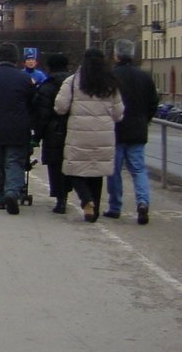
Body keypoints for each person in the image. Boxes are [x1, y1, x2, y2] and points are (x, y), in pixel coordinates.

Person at [54, 47, 125, 223]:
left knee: (74, 169)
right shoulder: (111, 83)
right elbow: (119, 113)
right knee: (97, 171)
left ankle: (87, 201)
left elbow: (60, 107)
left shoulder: (73, 81)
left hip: (79, 133)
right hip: (104, 135)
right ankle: (96, 210)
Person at [0, 42, 36, 214]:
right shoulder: (24, 79)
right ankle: (13, 192)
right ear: (17, 59)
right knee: (15, 161)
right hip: (18, 127)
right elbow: (32, 103)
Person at [106, 39, 157, 224]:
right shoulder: (145, 76)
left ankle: (115, 206)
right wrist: (145, 120)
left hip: (116, 130)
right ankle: (143, 202)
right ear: (133, 54)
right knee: (138, 169)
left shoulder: (111, 76)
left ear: (116, 56)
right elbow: (153, 103)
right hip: (138, 130)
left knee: (114, 171)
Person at [32, 53, 71, 214]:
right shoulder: (75, 84)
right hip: (74, 129)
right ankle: (75, 194)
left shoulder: (47, 86)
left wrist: (37, 137)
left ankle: (60, 199)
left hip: (53, 131)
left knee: (55, 165)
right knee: (71, 163)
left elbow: (42, 114)